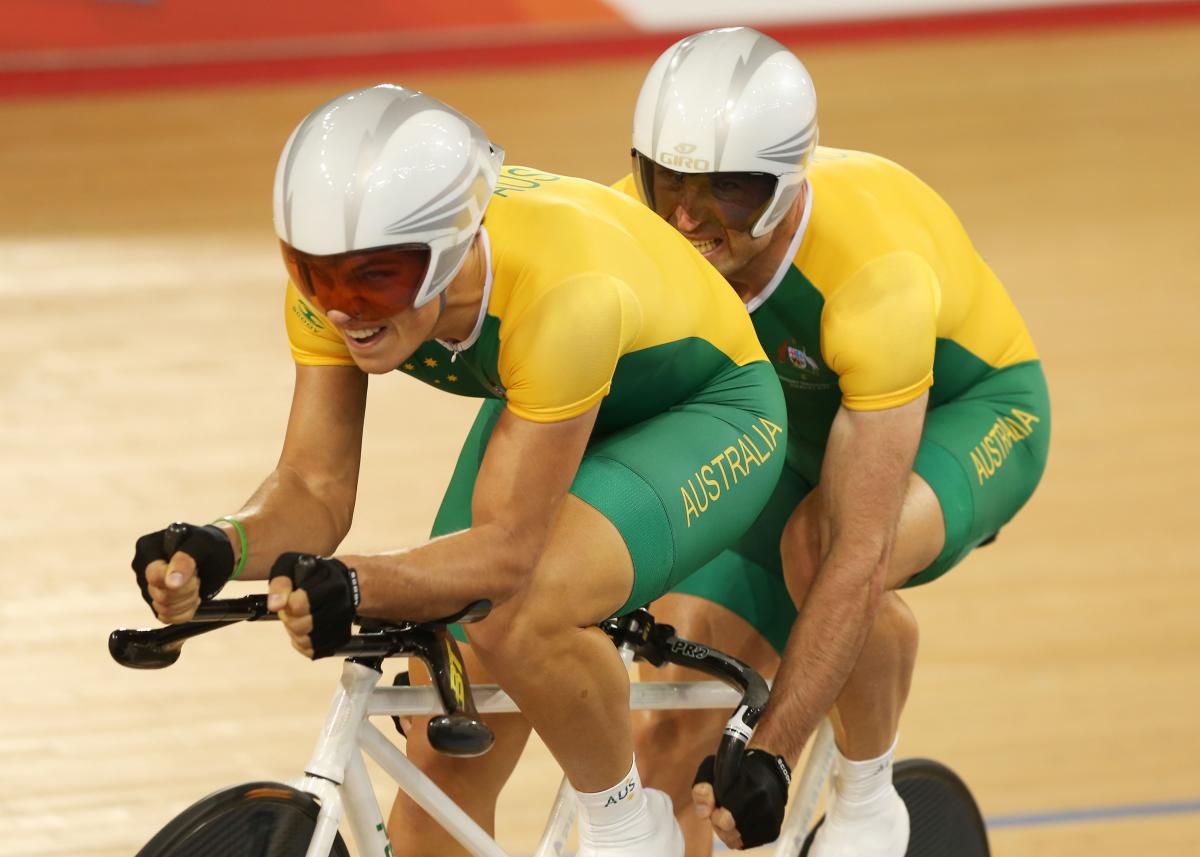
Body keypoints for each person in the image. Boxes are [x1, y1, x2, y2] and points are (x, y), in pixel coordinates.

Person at [128, 83, 789, 857]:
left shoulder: (560, 298)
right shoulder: (336, 288)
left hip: (706, 411)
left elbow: (507, 556)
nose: (342, 308)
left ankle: (623, 824)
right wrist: (221, 544)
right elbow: (313, 489)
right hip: (547, 395)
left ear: (449, 247)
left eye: (377, 277)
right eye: (314, 274)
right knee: (443, 760)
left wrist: (357, 581)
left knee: (518, 609)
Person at [614, 26, 1051, 856]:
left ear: (787, 183)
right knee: (669, 738)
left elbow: (857, 547)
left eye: (728, 195)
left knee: (822, 548)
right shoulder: (634, 227)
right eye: (666, 182)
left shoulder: (870, 269)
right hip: (788, 449)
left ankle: (867, 801)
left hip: (969, 420)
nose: (685, 219)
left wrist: (773, 749)